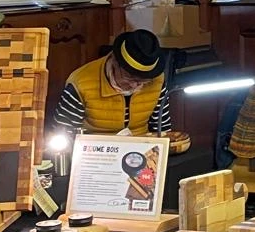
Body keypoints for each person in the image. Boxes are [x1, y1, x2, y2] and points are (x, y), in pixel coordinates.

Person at [52, 30, 189, 152]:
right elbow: (63, 135)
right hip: (94, 156)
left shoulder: (157, 81)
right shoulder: (81, 83)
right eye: (130, 77)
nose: (135, 84)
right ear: (114, 62)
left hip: (143, 152)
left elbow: (162, 130)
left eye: (143, 80)